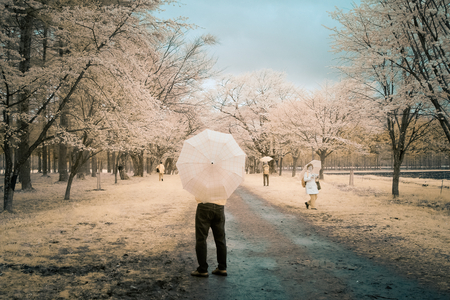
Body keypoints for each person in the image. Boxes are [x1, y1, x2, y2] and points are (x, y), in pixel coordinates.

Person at [191, 197, 228, 277]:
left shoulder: (202, 183)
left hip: (204, 206)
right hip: (219, 207)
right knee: (220, 239)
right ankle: (222, 268)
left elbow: (197, 194)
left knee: (201, 238)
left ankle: (202, 269)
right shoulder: (222, 184)